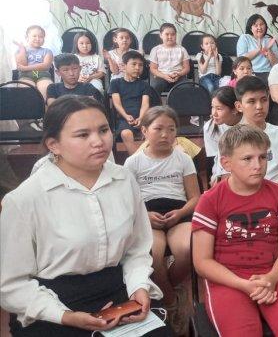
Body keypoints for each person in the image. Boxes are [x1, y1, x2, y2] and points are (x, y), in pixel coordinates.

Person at [0, 96, 170, 336]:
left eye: (103, 130)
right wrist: (65, 316)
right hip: (50, 301)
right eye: (83, 135)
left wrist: (138, 286)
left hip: (118, 287)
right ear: (54, 145)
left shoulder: (124, 179)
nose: (98, 141)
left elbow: (137, 250)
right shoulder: (25, 199)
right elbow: (12, 284)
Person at [191, 125, 278, 336]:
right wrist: (243, 285)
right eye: (247, 159)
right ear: (226, 163)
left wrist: (271, 278)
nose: (257, 166)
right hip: (227, 280)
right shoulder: (210, 201)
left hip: (272, 275)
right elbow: (202, 261)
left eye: (263, 157)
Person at [124, 106, 199, 333]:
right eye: (158, 129)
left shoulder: (183, 159)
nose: (165, 134)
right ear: (144, 130)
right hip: (147, 215)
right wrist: (145, 216)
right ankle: (171, 301)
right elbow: (128, 202)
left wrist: (181, 213)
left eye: (171, 129)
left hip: (179, 213)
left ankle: (167, 287)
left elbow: (195, 197)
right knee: (153, 255)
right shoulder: (133, 163)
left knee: (187, 249)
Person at [110, 51, 151, 155]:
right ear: (124, 66)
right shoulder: (115, 83)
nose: (137, 68)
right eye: (134, 64)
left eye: (140, 65)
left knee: (151, 133)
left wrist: (141, 118)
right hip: (124, 119)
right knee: (126, 133)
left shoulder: (144, 85)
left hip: (143, 118)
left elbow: (145, 104)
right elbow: (116, 103)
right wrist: (126, 116)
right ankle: (136, 160)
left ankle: (150, 158)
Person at [204, 87, 242, 178]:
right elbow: (213, 158)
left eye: (219, 109)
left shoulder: (248, 124)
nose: (214, 113)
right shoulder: (210, 127)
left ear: (235, 109)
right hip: (223, 171)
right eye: (212, 107)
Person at [14, 25, 54, 100]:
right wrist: (22, 50)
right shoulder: (20, 51)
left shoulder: (47, 51)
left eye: (41, 37)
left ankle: (44, 107)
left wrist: (25, 68)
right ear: (27, 38)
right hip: (26, 76)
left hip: (43, 76)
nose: (37, 39)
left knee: (46, 89)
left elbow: (45, 66)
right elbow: (22, 65)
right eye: (34, 36)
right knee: (26, 90)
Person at [148, 23, 190, 94]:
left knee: (186, 87)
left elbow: (186, 68)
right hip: (161, 76)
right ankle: (157, 102)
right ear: (161, 35)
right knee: (154, 87)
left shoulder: (182, 49)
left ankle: (178, 102)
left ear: (176, 35)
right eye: (167, 34)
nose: (170, 37)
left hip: (179, 76)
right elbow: (153, 68)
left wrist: (178, 74)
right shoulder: (155, 50)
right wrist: (164, 76)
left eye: (173, 34)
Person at [237, 14, 278, 82]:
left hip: (267, 73)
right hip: (250, 73)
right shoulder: (245, 38)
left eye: (262, 24)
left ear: (265, 26)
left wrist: (268, 50)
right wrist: (258, 50)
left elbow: (276, 64)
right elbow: (240, 60)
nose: (259, 27)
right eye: (256, 25)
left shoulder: (270, 40)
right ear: (250, 28)